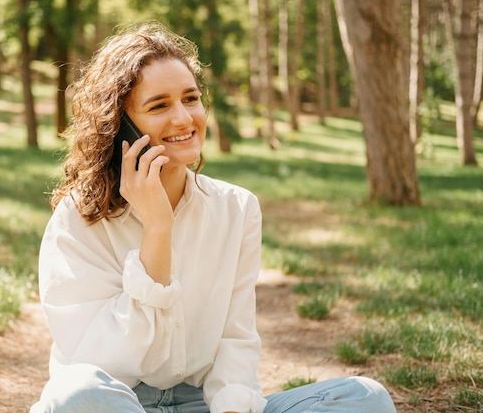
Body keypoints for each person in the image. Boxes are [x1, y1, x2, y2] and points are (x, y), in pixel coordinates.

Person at [30, 22, 397, 413]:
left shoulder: (236, 208)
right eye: (159, 106)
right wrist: (158, 228)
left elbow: (235, 340)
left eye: (190, 99)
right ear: (118, 124)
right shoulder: (78, 219)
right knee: (74, 394)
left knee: (364, 397)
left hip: (201, 403)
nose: (184, 118)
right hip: (115, 400)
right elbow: (99, 359)